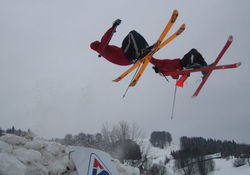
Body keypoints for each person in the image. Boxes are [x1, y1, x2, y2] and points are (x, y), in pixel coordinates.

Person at [90, 19, 207, 80]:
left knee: (134, 40)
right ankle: (144, 49)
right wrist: (113, 27)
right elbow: (105, 38)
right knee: (131, 34)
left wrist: (161, 70)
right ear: (97, 45)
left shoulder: (105, 51)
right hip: (128, 56)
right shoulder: (102, 48)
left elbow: (156, 61)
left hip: (129, 58)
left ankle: (144, 50)